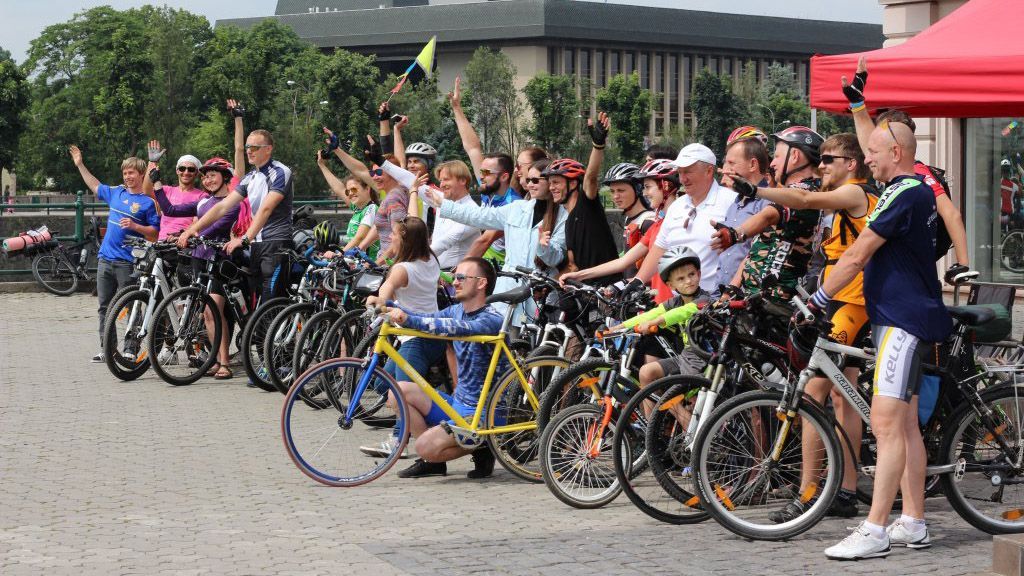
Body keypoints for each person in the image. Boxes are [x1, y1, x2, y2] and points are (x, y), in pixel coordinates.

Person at [810, 121, 950, 560]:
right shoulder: (912, 189)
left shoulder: (902, 191)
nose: (866, 158)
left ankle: (874, 530)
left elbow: (858, 252)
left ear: (895, 152)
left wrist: (818, 298)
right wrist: (859, 106)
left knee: (886, 425)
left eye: (872, 151)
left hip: (901, 322)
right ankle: (913, 521)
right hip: (904, 317)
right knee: (904, 426)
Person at [740, 133, 877, 523]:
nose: (821, 165)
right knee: (844, 396)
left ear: (851, 164)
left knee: (812, 394)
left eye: (829, 159)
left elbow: (801, 199)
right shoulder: (841, 195)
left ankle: (809, 494)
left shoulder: (854, 193)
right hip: (839, 299)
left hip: (851, 302)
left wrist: (756, 190)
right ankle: (845, 491)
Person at [842, 56, 970, 283]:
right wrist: (857, 103)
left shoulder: (919, 173)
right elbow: (867, 142)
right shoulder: (891, 170)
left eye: (879, 140)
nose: (870, 155)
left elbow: (951, 214)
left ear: (896, 147)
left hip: (912, 277)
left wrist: (963, 265)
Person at [380, 257, 505, 479]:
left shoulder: (492, 319)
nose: (454, 282)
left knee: (424, 446)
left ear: (481, 283)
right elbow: (426, 317)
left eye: (461, 278)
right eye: (454, 277)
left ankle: (484, 444)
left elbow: (455, 328)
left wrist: (407, 320)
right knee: (397, 391)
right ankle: (434, 463)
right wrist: (389, 306)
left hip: (485, 413)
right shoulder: (456, 310)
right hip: (459, 405)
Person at [419, 162, 567, 325]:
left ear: (550, 182)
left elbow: (555, 260)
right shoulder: (517, 208)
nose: (530, 184)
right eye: (528, 180)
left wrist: (543, 247)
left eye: (535, 180)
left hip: (538, 292)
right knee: (499, 334)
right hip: (508, 287)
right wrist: (443, 203)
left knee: (529, 337)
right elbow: (478, 215)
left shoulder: (563, 216)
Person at [177, 128, 294, 304]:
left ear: (268, 149)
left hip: (276, 244)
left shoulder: (280, 171)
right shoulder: (250, 177)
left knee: (269, 305)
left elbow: (266, 209)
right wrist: (192, 229)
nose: (249, 151)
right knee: (254, 303)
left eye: (254, 147)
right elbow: (223, 206)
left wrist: (245, 238)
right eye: (247, 147)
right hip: (256, 245)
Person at [151, 157, 242, 379]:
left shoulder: (232, 202)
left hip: (218, 260)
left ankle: (225, 363)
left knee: (214, 310)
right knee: (206, 313)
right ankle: (215, 359)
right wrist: (156, 183)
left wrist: (190, 234)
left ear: (225, 178)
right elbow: (170, 209)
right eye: (206, 176)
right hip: (199, 258)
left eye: (213, 176)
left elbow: (217, 226)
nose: (208, 180)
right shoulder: (203, 202)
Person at [361, 217, 442, 459]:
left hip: (415, 339)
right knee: (382, 384)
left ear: (405, 239)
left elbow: (385, 290)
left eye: (394, 234)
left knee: (400, 393)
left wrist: (377, 301)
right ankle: (428, 406)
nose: (390, 237)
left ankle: (399, 441)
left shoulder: (402, 268)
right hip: (433, 335)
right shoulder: (431, 260)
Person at [69, 145, 159, 362]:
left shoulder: (148, 202)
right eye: (125, 173)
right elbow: (94, 185)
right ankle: (108, 349)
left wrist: (136, 226)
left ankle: (131, 348)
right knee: (104, 307)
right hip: (105, 260)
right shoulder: (117, 192)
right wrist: (80, 164)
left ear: (141, 174)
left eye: (131, 173)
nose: (127, 177)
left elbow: (155, 234)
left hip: (128, 263)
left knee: (132, 305)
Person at [727, 126, 823, 303]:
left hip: (779, 302)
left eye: (777, 156)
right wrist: (732, 288)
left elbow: (769, 215)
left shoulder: (808, 190)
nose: (772, 164)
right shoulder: (787, 191)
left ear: (795, 156)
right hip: (757, 299)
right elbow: (758, 245)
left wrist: (734, 234)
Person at [561, 158, 679, 300]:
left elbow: (654, 270)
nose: (645, 193)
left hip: (666, 299)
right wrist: (579, 275)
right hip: (652, 300)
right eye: (612, 191)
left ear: (666, 186)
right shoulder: (657, 224)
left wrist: (623, 284)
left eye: (647, 187)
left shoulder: (652, 222)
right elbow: (624, 261)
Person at [607, 247, 708, 392]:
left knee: (676, 392)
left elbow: (681, 313)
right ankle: (653, 408)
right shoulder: (675, 301)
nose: (688, 281)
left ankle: (683, 407)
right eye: (681, 278)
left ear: (699, 274)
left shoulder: (704, 300)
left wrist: (653, 323)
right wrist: (618, 327)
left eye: (691, 274)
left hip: (703, 360)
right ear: (670, 285)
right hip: (685, 357)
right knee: (646, 373)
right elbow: (652, 313)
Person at [641, 144, 737, 295]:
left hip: (718, 301)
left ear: (709, 171)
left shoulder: (732, 202)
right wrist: (637, 281)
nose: (682, 179)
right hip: (680, 302)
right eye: (679, 172)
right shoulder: (677, 206)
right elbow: (659, 250)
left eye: (688, 171)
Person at [447, 77, 522, 266]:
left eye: (486, 173)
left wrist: (462, 269)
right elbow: (472, 148)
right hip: (489, 259)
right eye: (481, 172)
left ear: (504, 176)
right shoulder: (490, 188)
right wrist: (457, 108)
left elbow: (484, 240)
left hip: (506, 266)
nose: (481, 177)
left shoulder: (512, 204)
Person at [557, 111, 621, 282]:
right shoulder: (568, 222)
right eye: (549, 183)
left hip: (609, 286)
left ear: (572, 184)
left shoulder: (586, 204)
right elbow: (573, 265)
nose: (551, 187)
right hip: (586, 289)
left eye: (556, 182)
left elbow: (590, 178)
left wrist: (598, 145)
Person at [315, 150, 380, 259]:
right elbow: (338, 188)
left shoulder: (371, 208)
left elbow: (360, 237)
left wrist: (339, 254)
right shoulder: (357, 209)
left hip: (368, 264)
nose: (350, 194)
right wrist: (322, 165)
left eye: (354, 189)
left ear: (367, 188)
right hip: (355, 262)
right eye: (348, 191)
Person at [142, 142, 206, 240]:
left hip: (185, 243)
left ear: (197, 173)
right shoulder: (167, 190)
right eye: (182, 168)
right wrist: (152, 162)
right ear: (177, 171)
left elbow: (197, 222)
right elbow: (147, 190)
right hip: (162, 242)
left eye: (191, 169)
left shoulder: (202, 196)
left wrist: (180, 235)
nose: (186, 172)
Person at [603, 162, 655, 278]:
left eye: (621, 190)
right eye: (612, 191)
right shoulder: (629, 219)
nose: (615, 196)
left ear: (638, 189)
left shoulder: (648, 222)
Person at [427, 160, 482, 269]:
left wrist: (414, 258)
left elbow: (444, 243)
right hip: (436, 272)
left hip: (456, 276)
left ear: (462, 180)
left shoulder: (472, 210)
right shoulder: (441, 200)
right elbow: (410, 183)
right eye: (440, 180)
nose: (441, 185)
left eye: (446, 179)